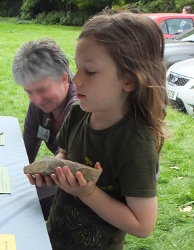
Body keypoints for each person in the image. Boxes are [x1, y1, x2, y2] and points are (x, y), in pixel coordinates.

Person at [27, 12, 168, 249]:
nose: (75, 79)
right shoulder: (78, 112)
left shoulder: (136, 144)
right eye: (77, 68)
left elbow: (143, 225)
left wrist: (88, 193)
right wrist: (53, 171)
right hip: (54, 236)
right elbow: (64, 153)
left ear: (129, 81)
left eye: (90, 71)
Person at [12, 38, 77, 220]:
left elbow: (64, 173)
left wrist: (17, 195)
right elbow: (25, 151)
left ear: (64, 78)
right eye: (29, 92)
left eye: (42, 89)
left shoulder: (79, 111)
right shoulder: (39, 106)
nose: (36, 99)